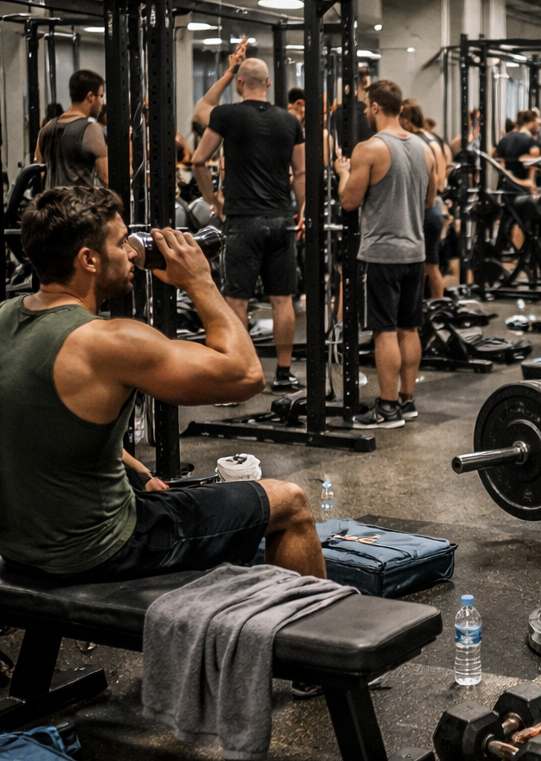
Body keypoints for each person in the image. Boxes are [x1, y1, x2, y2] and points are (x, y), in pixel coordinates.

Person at [0, 186, 325, 583]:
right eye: (120, 243)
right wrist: (200, 282)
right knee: (290, 503)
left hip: (20, 549)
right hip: (100, 548)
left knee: (161, 489)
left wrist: (139, 472)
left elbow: (46, 426)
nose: (131, 252)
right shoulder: (108, 341)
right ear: (88, 259)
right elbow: (246, 375)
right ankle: (312, 623)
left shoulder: (5, 317)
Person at [191, 58, 306, 392]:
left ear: (240, 83)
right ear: (268, 84)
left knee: (237, 300)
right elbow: (301, 171)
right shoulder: (290, 120)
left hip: (242, 220)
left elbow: (199, 160)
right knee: (282, 300)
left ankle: (241, 372)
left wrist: (213, 200)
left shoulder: (226, 115)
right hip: (281, 219)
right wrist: (302, 211)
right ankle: (283, 374)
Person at [337, 79, 436, 429]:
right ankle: (407, 400)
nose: (365, 111)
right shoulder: (425, 148)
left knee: (385, 331)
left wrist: (343, 173)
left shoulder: (370, 148)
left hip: (381, 254)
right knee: (409, 328)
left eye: (367, 106)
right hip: (415, 252)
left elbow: (349, 201)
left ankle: (388, 408)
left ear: (376, 107)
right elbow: (429, 201)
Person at [401, 97, 451, 299]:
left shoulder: (416, 143)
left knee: (426, 265)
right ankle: (430, 309)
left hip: (425, 209)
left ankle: (426, 308)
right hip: (435, 207)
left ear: (407, 120)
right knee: (428, 266)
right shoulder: (434, 140)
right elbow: (442, 181)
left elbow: (432, 180)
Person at [35, 69, 108, 188]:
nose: (102, 103)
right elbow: (107, 178)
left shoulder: (46, 129)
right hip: (80, 200)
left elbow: (41, 174)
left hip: (51, 199)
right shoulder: (91, 129)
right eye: (101, 96)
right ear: (90, 96)